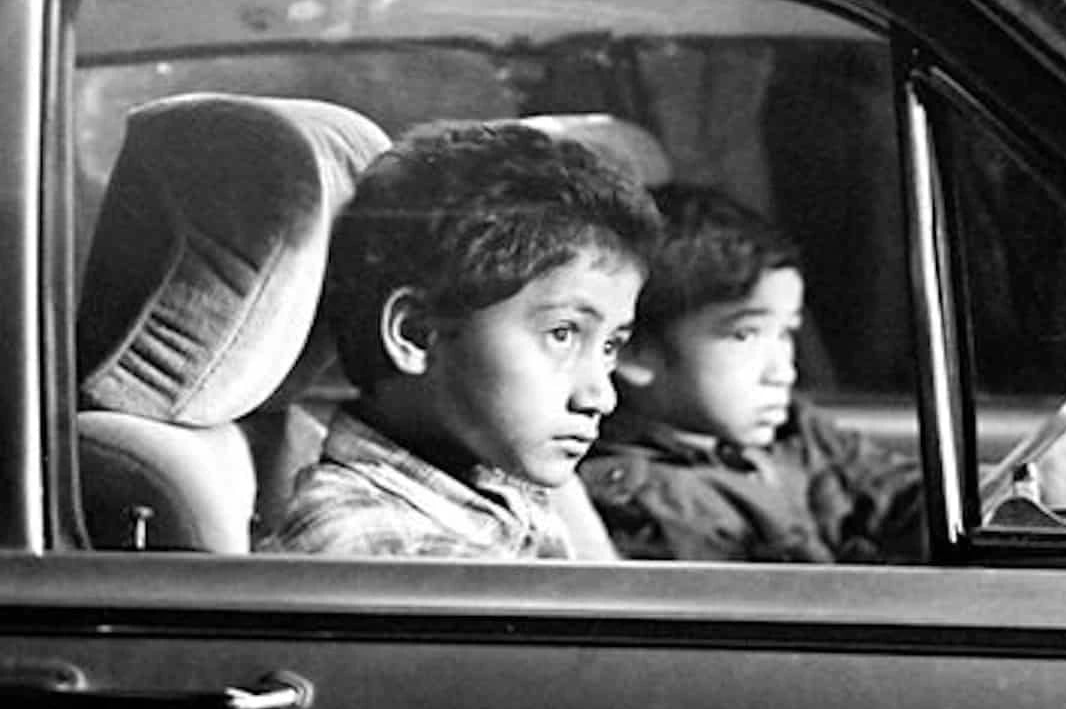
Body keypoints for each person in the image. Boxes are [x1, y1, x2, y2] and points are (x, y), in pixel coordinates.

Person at [261, 120, 660, 558]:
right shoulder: (381, 547)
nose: (601, 397)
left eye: (609, 347)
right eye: (562, 334)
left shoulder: (499, 486)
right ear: (415, 334)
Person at [580, 183, 922, 563]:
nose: (783, 372)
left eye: (786, 332)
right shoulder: (654, 503)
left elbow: (897, 489)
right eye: (744, 335)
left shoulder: (796, 433)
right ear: (635, 353)